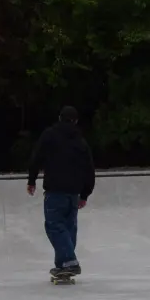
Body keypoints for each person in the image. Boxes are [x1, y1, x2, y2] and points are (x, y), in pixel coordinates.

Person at [26, 106, 96, 278]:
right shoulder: (80, 141)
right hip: (73, 192)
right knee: (68, 227)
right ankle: (63, 264)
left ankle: (70, 261)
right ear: (76, 121)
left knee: (54, 226)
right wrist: (85, 193)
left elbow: (37, 156)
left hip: (55, 190)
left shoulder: (50, 135)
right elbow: (89, 168)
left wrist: (32, 180)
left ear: (59, 118)